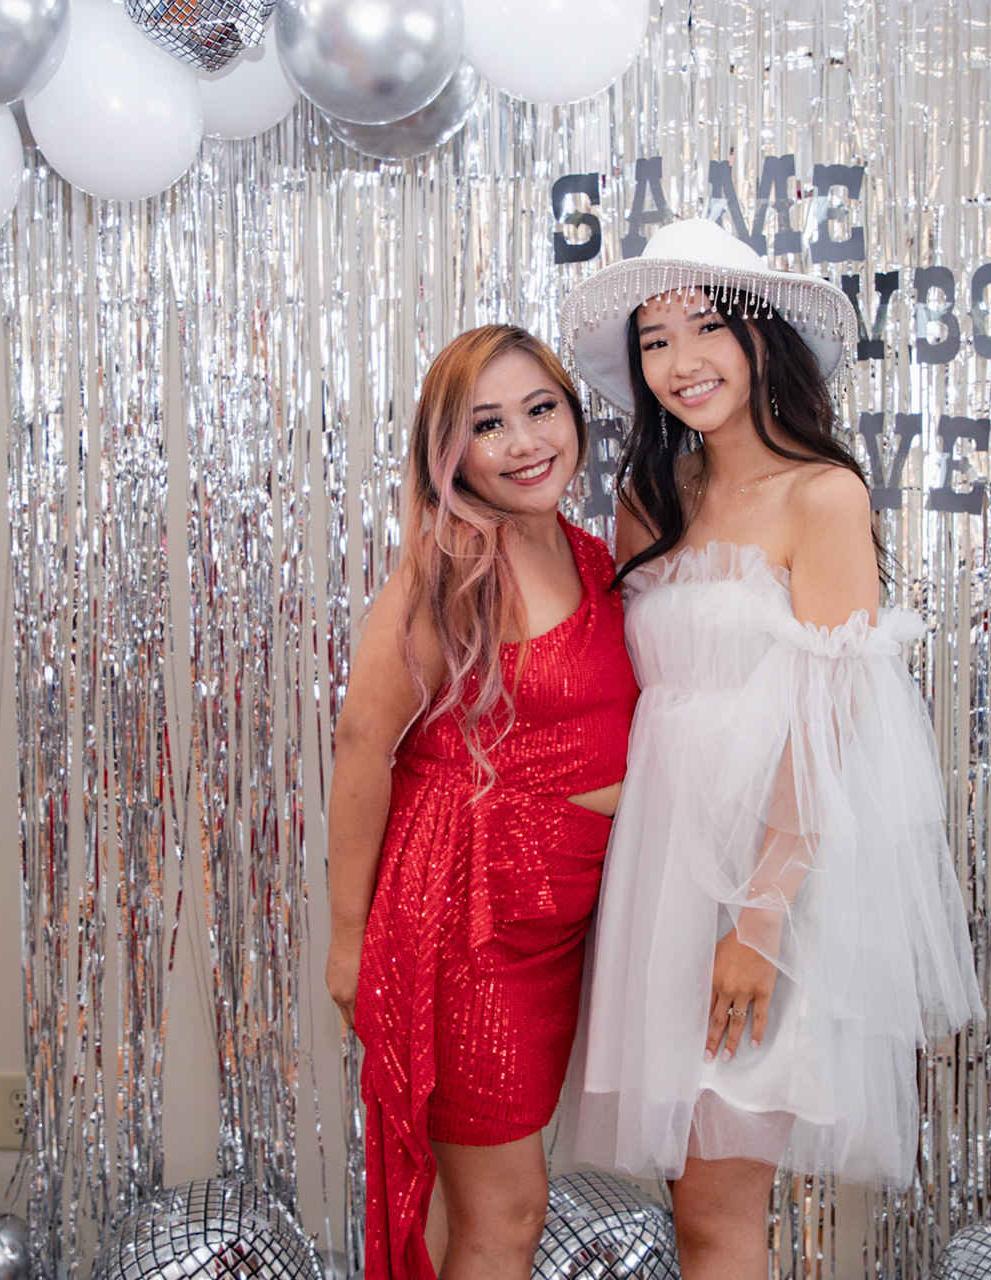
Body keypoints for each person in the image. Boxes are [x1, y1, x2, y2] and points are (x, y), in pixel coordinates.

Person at [560, 219, 983, 1278]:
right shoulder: (650, 499)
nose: (681, 361)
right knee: (691, 1202)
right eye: (656, 340)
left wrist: (759, 920)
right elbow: (634, 696)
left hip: (765, 883)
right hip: (659, 878)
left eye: (707, 327)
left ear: (763, 338)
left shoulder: (822, 495)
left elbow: (830, 723)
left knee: (719, 1210)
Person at [324, 324, 639, 1280]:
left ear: (574, 415)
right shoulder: (452, 565)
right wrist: (349, 939)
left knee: (498, 1207)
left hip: (556, 921)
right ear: (450, 452)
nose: (524, 442)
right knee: (506, 1213)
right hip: (468, 927)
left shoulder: (590, 555)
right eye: (487, 424)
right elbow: (363, 742)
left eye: (540, 409)